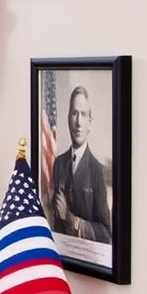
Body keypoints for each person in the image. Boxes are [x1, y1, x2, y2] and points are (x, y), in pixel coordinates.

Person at [51, 85, 111, 243]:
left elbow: (107, 234)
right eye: (74, 113)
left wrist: (72, 220)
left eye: (83, 115)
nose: (78, 122)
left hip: (87, 262)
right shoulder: (58, 164)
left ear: (90, 123)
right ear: (68, 118)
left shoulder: (97, 171)